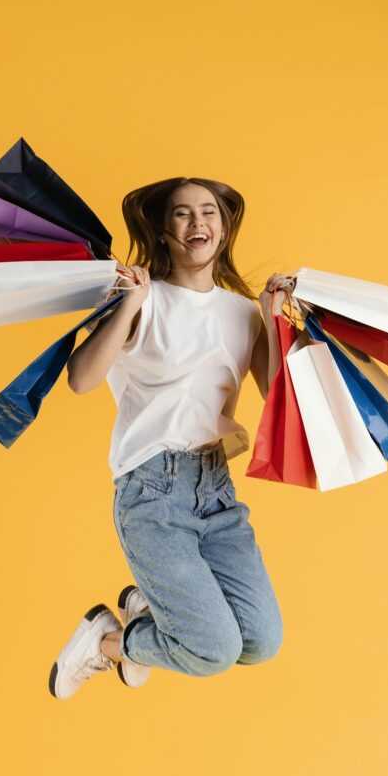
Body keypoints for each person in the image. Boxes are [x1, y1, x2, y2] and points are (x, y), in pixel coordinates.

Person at [48, 175, 295, 699]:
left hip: (216, 489)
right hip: (151, 491)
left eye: (209, 212)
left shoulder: (240, 312)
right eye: (182, 214)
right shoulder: (144, 298)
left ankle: (140, 614)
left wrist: (273, 321)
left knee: (261, 641)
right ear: (163, 231)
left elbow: (278, 398)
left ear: (224, 228)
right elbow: (81, 379)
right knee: (212, 649)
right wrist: (130, 305)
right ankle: (106, 642)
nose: (198, 222)